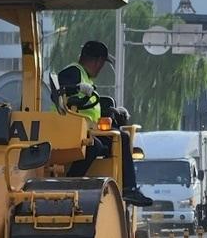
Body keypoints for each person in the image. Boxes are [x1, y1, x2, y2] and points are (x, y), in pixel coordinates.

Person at [59, 41, 152, 206]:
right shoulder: (73, 72)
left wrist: (111, 113)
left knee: (119, 137)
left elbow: (86, 107)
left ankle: (127, 187)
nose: (100, 68)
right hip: (71, 131)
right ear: (97, 61)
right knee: (103, 143)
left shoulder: (85, 77)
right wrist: (76, 88)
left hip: (86, 130)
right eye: (101, 64)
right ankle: (71, 180)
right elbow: (64, 88)